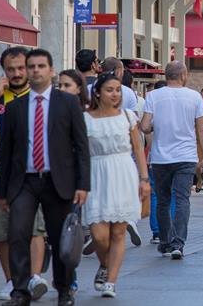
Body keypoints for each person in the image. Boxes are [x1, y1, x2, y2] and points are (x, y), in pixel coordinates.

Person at [0, 48, 89, 306]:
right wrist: (2, 192)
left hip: (57, 181)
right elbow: (5, 151)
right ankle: (20, 290)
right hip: (23, 182)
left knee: (61, 238)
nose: (35, 70)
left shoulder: (67, 103)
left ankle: (64, 289)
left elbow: (81, 146)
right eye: (31, 66)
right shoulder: (15, 107)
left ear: (51, 70)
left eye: (41, 66)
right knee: (17, 233)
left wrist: (83, 184)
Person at [0, 47, 50, 301]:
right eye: (11, 69)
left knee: (35, 229)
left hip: (35, 173)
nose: (17, 73)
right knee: (4, 232)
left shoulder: (41, 96)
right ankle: (11, 281)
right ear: (4, 71)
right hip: (0, 173)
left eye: (21, 68)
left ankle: (35, 277)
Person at [83, 73, 150, 299]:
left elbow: (138, 148)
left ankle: (111, 280)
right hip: (96, 173)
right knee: (99, 234)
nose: (115, 94)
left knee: (119, 232)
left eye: (118, 90)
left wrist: (144, 179)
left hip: (123, 171)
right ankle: (105, 264)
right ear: (98, 92)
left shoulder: (128, 116)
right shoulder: (86, 118)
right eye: (110, 89)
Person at [138, 61, 203, 260]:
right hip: (186, 157)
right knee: (181, 200)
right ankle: (178, 243)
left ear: (167, 76)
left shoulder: (153, 96)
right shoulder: (194, 97)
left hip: (160, 158)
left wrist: (155, 126)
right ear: (184, 75)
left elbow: (144, 126)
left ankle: (165, 241)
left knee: (162, 200)